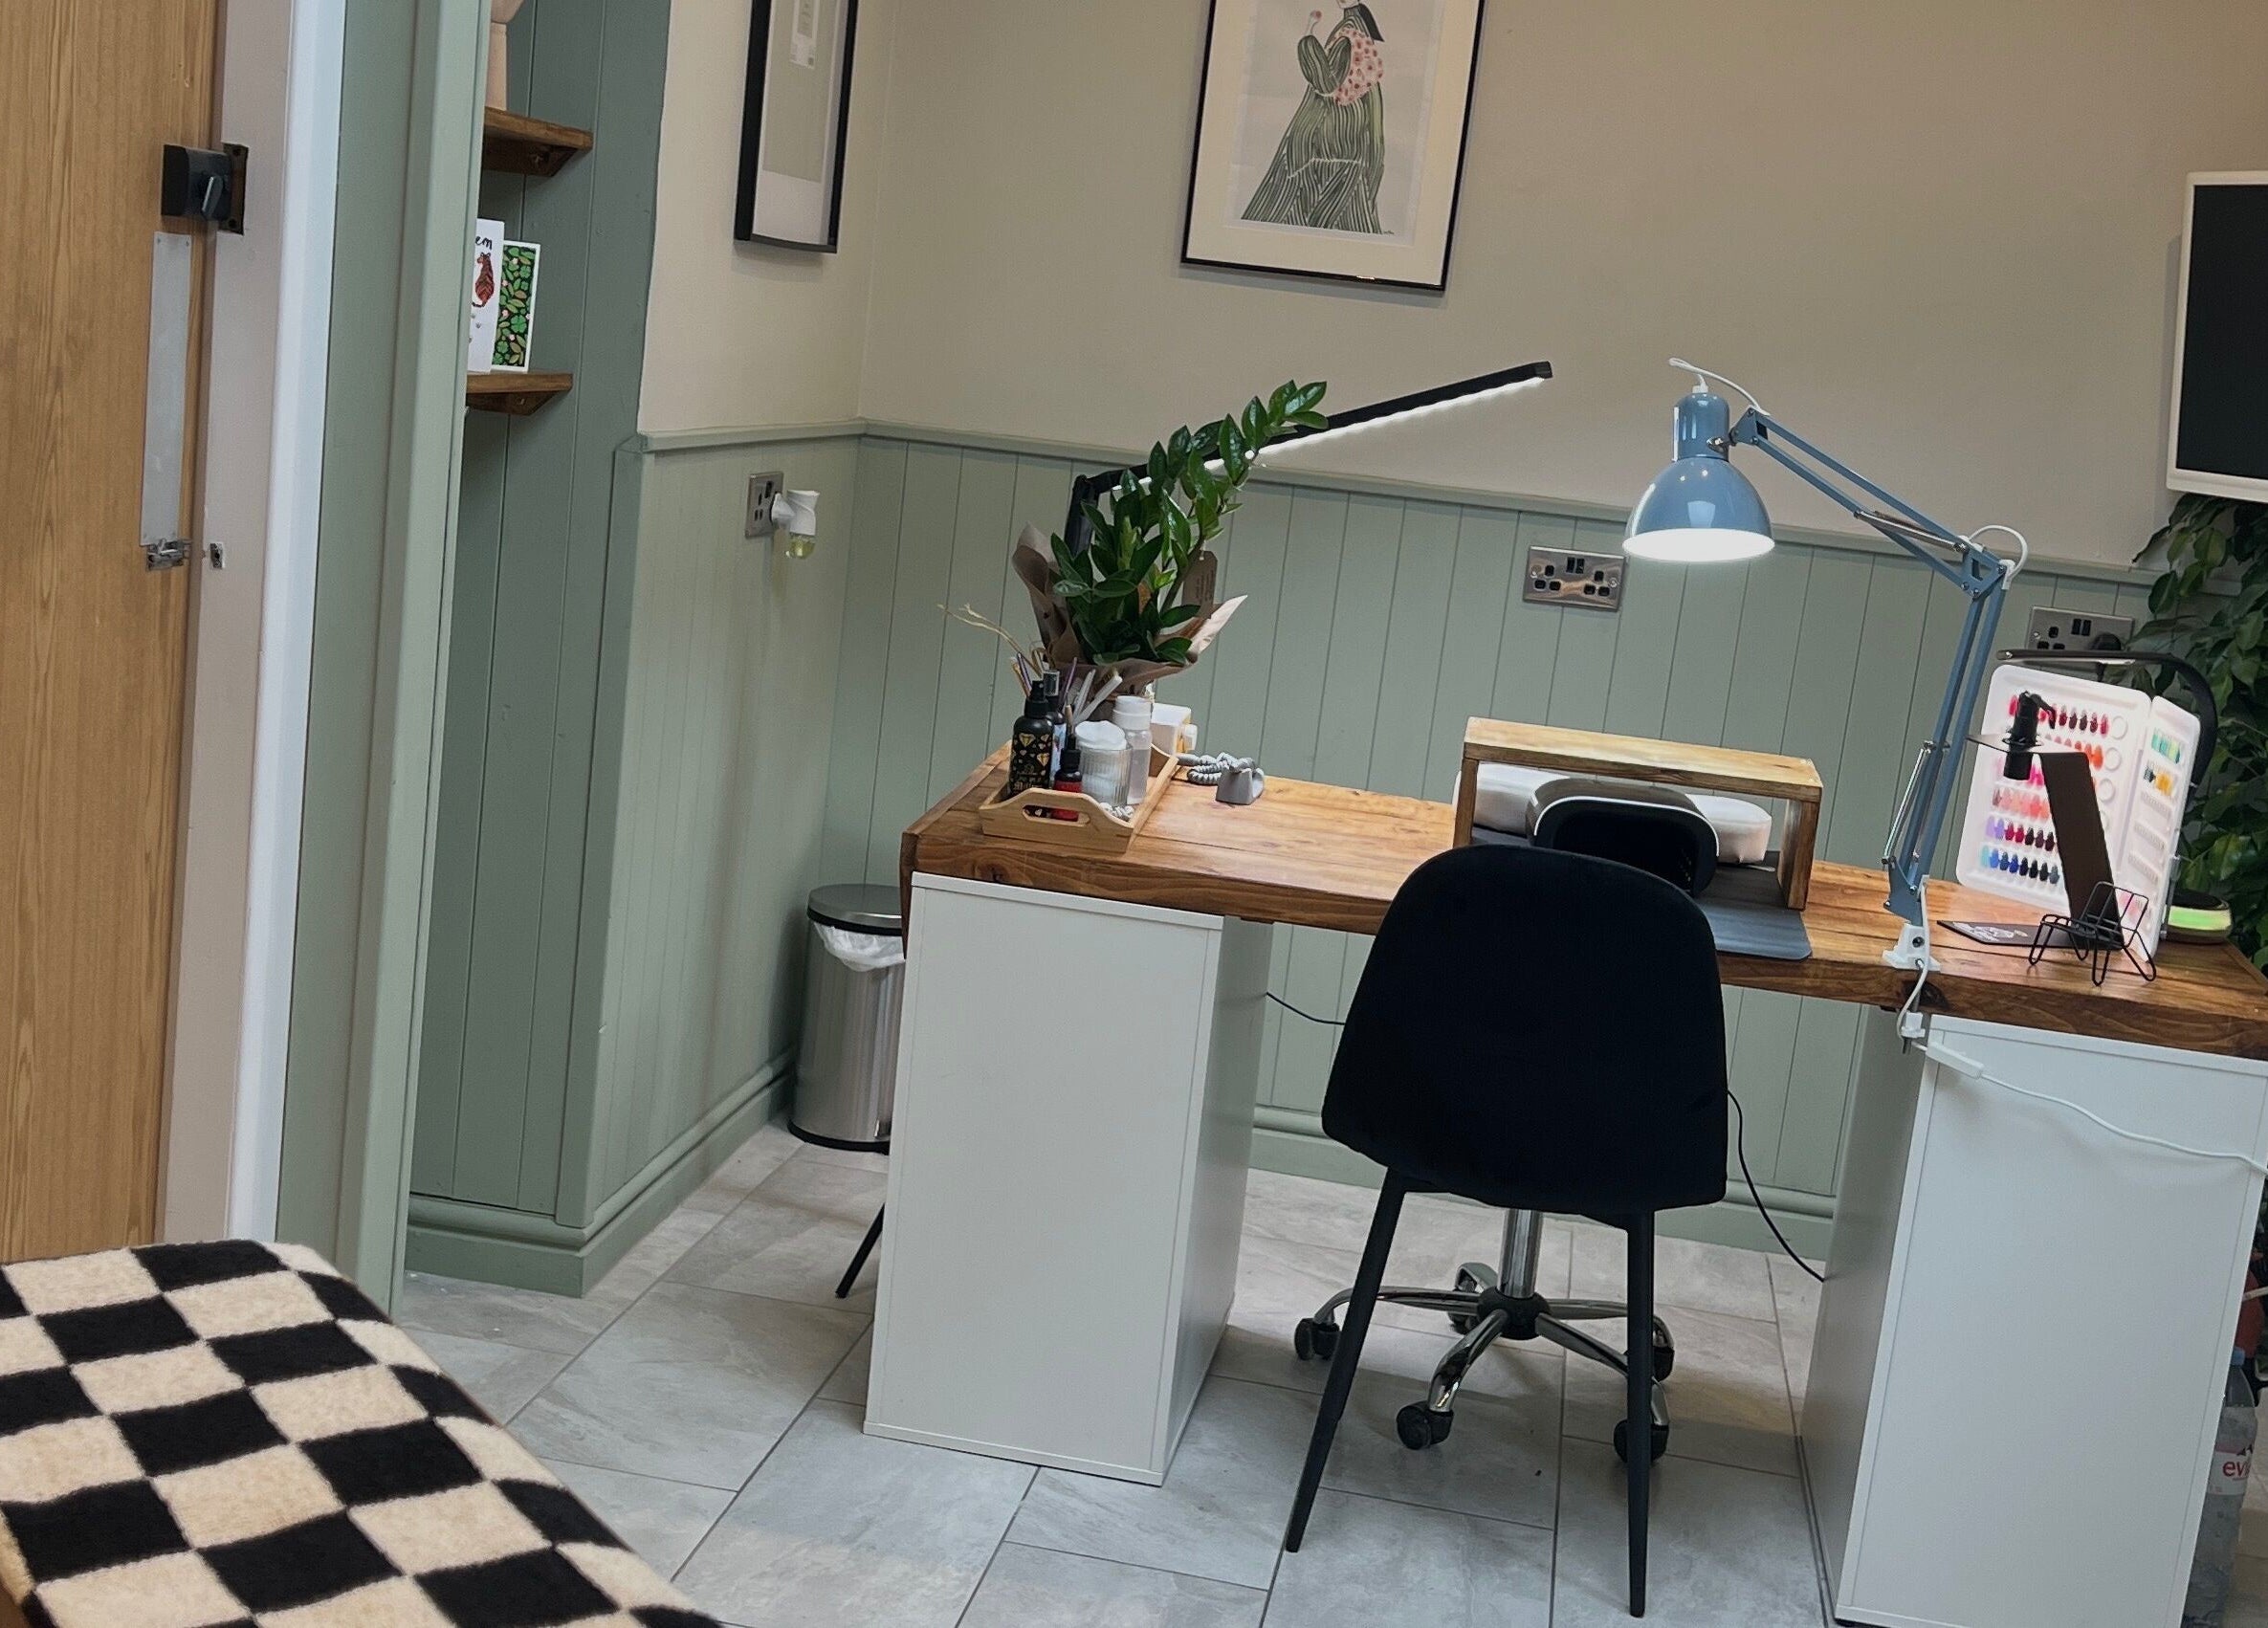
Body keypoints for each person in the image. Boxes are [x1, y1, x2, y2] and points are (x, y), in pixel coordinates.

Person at [1243, 3, 1388, 234]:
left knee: (1293, 203)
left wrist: (1308, 36)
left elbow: (1326, 83)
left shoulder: (1350, 32)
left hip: (1330, 133)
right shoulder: (1359, 28)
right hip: (1350, 135)